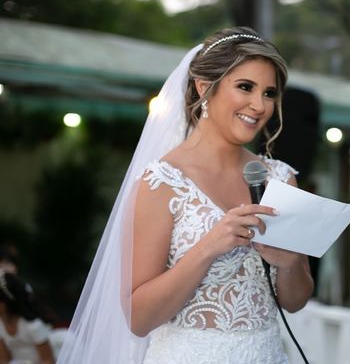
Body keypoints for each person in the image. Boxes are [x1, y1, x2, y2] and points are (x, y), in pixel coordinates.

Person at [58, 27, 314, 363]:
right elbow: (139, 319)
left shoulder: (281, 178)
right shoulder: (162, 183)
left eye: (269, 93)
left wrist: (290, 263)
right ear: (205, 86)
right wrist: (209, 247)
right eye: (245, 87)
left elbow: (295, 301)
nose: (259, 105)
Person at [0, 270, 56, 364]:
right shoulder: (1, 326)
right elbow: (4, 359)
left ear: (7, 302)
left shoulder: (33, 326)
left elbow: (48, 360)